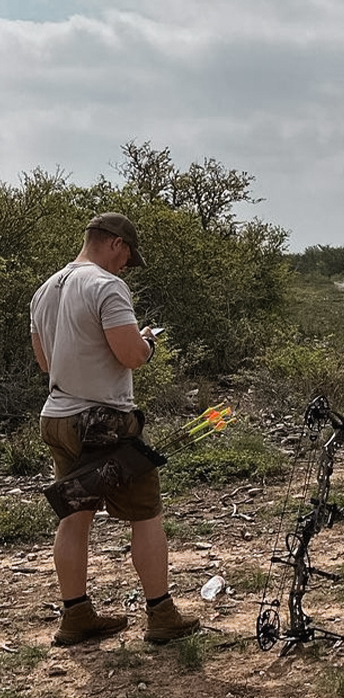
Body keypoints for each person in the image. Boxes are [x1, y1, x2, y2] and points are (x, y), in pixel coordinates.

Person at [29, 213, 200, 645]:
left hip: (58, 416)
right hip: (103, 421)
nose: (126, 265)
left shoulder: (44, 291)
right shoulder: (106, 286)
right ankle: (161, 614)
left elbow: (45, 362)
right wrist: (148, 342)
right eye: (128, 256)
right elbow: (130, 355)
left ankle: (76, 616)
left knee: (74, 514)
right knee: (146, 515)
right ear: (116, 243)